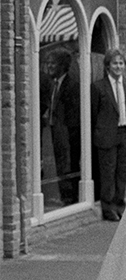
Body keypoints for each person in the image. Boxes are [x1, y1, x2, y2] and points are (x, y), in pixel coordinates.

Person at [91, 49, 126, 222]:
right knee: (108, 172)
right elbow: (94, 114)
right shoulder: (98, 87)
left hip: (124, 132)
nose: (118, 66)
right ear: (108, 66)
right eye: (115, 63)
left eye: (121, 63)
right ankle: (108, 208)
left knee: (121, 172)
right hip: (106, 134)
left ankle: (119, 206)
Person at [44, 50, 82, 205]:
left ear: (63, 65)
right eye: (48, 63)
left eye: (53, 63)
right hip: (54, 131)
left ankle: (70, 197)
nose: (49, 66)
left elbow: (73, 114)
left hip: (67, 134)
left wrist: (68, 133)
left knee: (68, 164)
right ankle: (63, 195)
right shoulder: (52, 84)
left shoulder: (72, 86)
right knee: (59, 163)